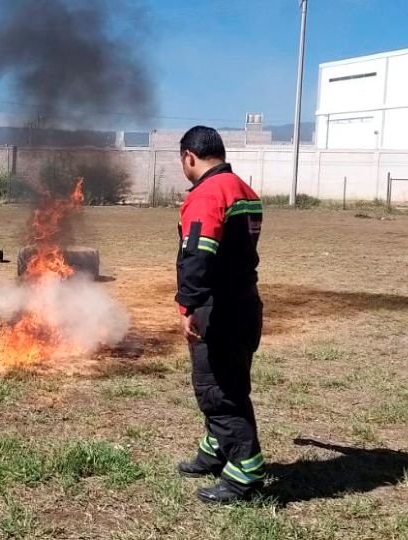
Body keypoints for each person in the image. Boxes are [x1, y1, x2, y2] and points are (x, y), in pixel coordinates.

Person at [174, 126, 265, 504]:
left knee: (219, 390)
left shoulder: (207, 194)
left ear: (189, 157)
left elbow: (197, 254)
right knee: (228, 378)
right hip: (245, 302)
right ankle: (216, 448)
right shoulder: (245, 190)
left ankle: (245, 471)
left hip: (219, 308)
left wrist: (189, 306)